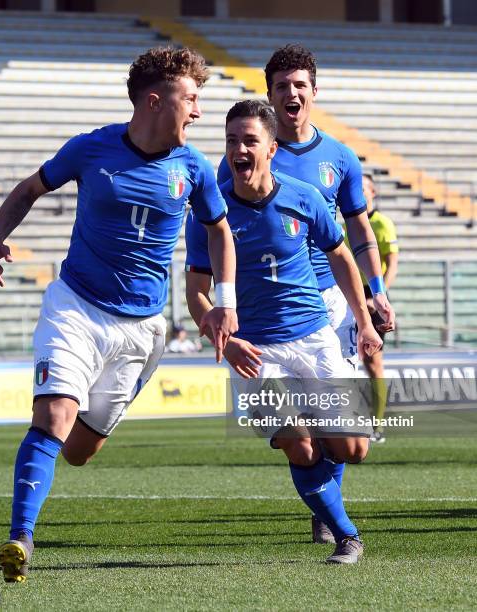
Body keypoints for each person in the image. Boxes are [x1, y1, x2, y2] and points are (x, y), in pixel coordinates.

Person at [0, 46, 238, 583]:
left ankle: (45, 477)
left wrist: (223, 304)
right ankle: (20, 539)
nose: (199, 111)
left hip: (142, 330)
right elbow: (30, 188)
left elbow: (219, 231)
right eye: (191, 98)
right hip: (75, 306)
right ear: (153, 100)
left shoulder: (193, 168)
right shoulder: (90, 148)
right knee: (53, 416)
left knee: (78, 450)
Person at [186, 100, 383, 563]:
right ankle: (346, 535)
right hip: (255, 348)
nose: (239, 149)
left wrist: (364, 319)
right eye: (231, 140)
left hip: (315, 337)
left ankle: (319, 447)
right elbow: (196, 289)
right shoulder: (209, 214)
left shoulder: (304, 197)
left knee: (354, 449)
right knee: (298, 444)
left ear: (272, 148)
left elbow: (340, 257)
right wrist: (224, 339)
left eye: (250, 140)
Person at [218, 44, 396, 544]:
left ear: (314, 92)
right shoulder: (241, 158)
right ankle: (329, 513)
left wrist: (375, 293)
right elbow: (218, 232)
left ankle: (324, 497)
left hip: (333, 300)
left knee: (347, 437)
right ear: (269, 95)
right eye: (281, 86)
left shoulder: (339, 157)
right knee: (300, 433)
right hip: (273, 308)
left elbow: (358, 232)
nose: (291, 93)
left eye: (300, 85)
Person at [347, 174, 399, 443]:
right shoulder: (345, 223)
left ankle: (376, 425)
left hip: (372, 295)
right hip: (345, 294)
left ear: (373, 192)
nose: (361, 194)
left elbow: (392, 262)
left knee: (373, 362)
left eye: (365, 189)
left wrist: (379, 295)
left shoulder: (381, 223)